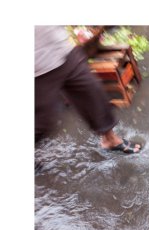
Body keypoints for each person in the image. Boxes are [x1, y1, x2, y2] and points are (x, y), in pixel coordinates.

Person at [35, 26, 141, 154]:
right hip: (38, 68)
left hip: (62, 49)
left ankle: (110, 140)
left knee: (92, 91)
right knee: (42, 120)